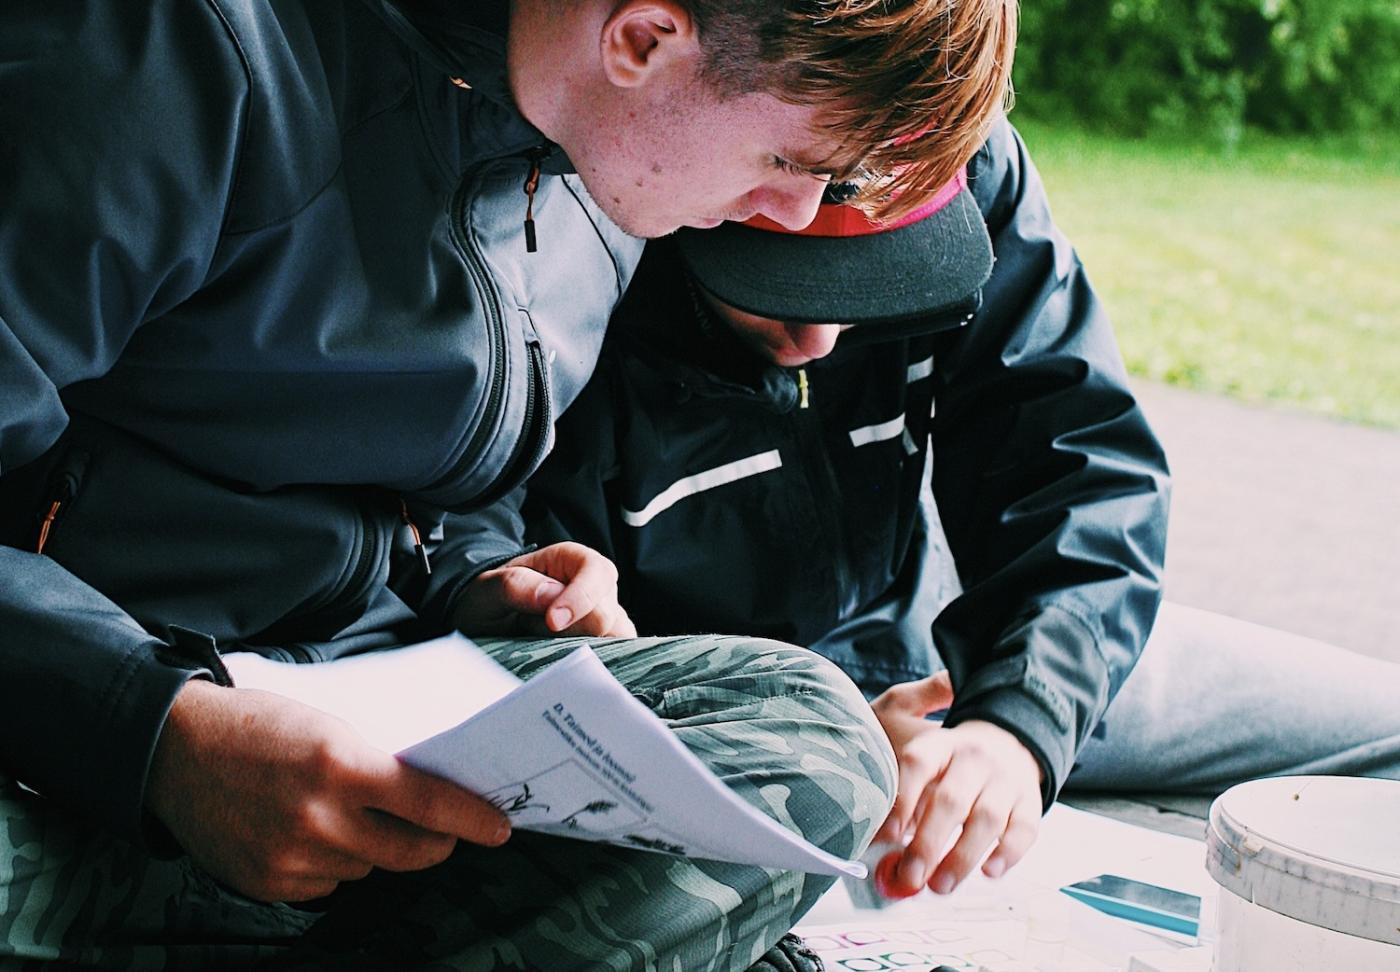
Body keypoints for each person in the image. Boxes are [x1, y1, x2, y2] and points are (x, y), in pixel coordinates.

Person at [0, 0, 1020, 967]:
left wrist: (482, 579)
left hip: (370, 743)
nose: (792, 213)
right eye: (793, 162)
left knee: (814, 735)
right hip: (79, 736)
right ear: (643, 39)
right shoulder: (178, 55)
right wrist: (157, 731)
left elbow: (449, 489)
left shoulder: (606, 167)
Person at [523, 114, 1400, 902]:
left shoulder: (967, 156)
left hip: (959, 657)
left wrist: (1019, 723)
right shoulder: (579, 214)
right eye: (773, 280)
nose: (820, 340)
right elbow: (523, 639)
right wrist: (817, 745)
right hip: (735, 729)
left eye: (870, 284)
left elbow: (1079, 470)